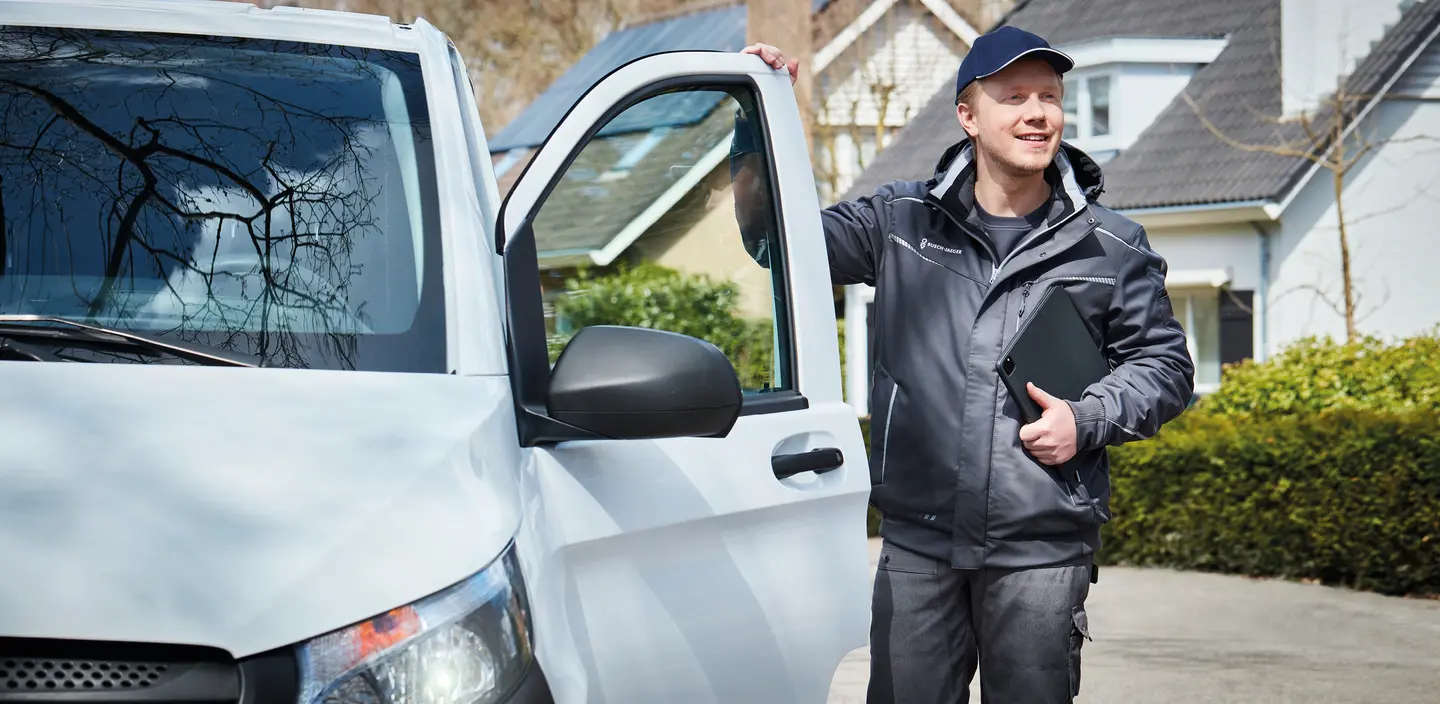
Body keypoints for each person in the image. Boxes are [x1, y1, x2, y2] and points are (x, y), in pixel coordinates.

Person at [736, 26, 1195, 703]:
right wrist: (754, 116)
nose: (1037, 113)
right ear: (968, 116)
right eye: (1013, 98)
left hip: (1041, 549)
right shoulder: (898, 220)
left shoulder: (1112, 246)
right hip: (919, 544)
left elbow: (1164, 366)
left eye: (1049, 96)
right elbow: (776, 243)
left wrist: (1088, 417)